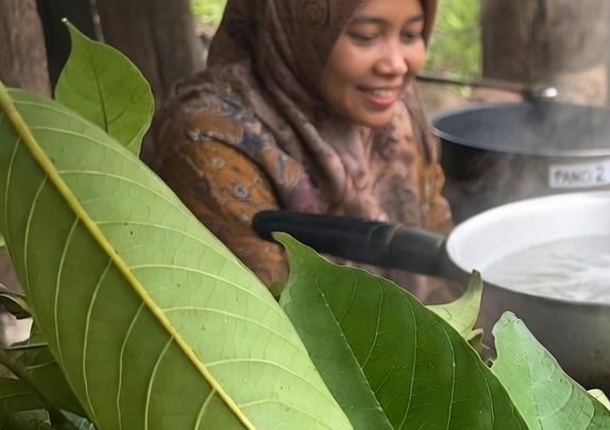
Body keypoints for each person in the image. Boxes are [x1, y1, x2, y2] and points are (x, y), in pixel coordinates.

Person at [144, 0, 455, 301]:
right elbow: (267, 322)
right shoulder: (210, 146)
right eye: (365, 36)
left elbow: (439, 232)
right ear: (297, 22)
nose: (396, 65)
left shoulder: (393, 108)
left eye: (411, 34)